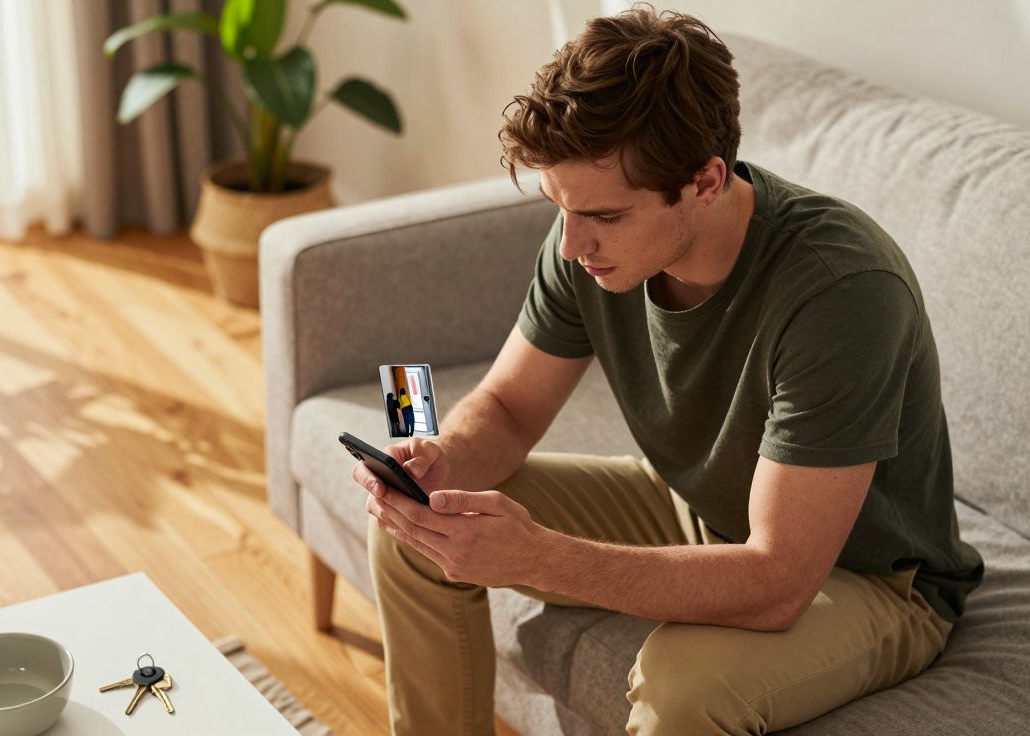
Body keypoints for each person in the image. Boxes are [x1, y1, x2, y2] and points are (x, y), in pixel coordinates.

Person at [351, 5, 984, 735]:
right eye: (561, 207)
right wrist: (440, 459)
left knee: (681, 687)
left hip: (870, 576)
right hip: (702, 508)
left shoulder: (840, 290)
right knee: (423, 522)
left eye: (606, 217)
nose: (572, 245)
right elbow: (510, 409)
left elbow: (778, 579)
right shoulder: (585, 244)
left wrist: (538, 557)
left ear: (706, 182)